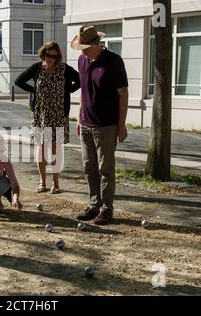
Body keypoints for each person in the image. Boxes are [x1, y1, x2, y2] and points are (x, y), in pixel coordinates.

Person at [71, 26, 129, 225]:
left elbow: (123, 95)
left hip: (106, 125)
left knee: (106, 169)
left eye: (86, 47)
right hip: (86, 123)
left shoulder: (114, 61)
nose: (82, 51)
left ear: (97, 44)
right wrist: (79, 119)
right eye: (81, 47)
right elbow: (83, 94)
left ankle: (106, 209)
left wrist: (121, 126)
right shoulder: (82, 60)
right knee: (89, 167)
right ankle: (94, 204)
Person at [15, 42, 80, 194]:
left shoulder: (64, 69)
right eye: (48, 55)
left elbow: (81, 80)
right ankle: (42, 182)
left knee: (56, 149)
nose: (51, 58)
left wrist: (67, 91)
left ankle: (55, 183)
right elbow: (18, 81)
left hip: (58, 114)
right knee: (41, 147)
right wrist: (35, 91)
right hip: (40, 115)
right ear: (43, 54)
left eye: (54, 56)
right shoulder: (37, 68)